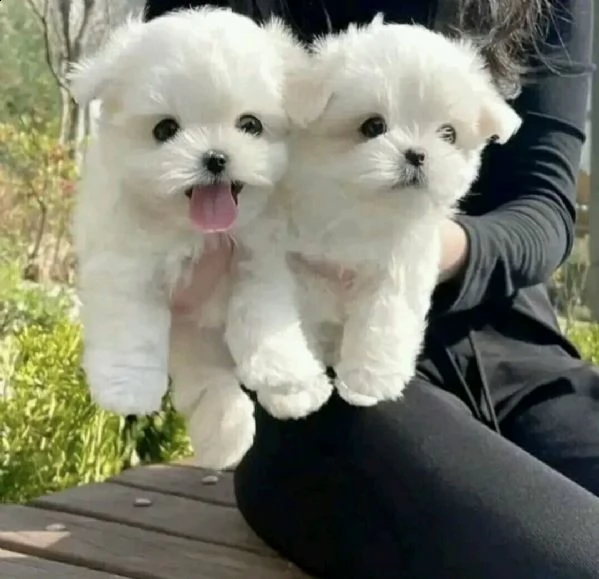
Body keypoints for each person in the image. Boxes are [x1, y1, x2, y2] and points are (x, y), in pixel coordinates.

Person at [145, 1, 599, 577]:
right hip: (320, 367)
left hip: (519, 356)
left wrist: (417, 250)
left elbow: (544, 204)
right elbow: (155, 135)